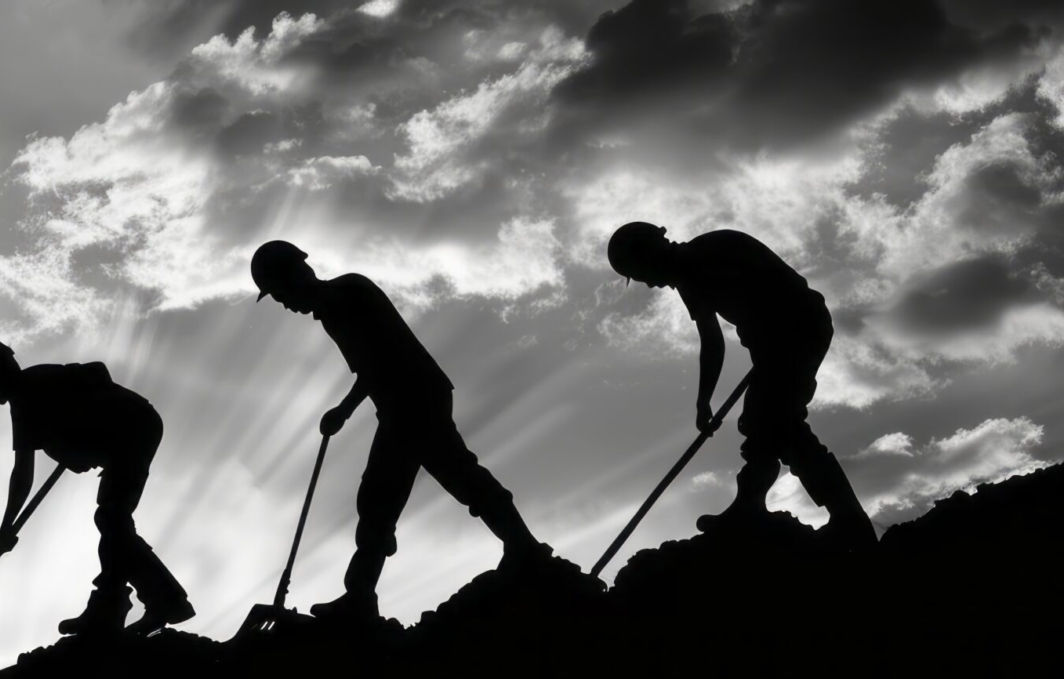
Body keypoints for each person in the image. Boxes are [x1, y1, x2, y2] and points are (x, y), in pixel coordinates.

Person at [250, 240, 551, 620]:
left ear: (296, 275)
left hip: (415, 398)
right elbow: (369, 370)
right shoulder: (333, 307)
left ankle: (525, 550)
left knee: (455, 476)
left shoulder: (347, 295)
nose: (284, 305)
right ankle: (360, 595)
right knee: (381, 499)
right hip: (400, 404)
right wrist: (344, 411)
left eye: (279, 294)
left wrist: (344, 411)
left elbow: (380, 358)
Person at [606, 222, 876, 546]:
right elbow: (713, 339)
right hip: (781, 338)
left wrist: (765, 343)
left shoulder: (705, 255)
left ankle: (848, 521)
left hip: (797, 329)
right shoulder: (689, 273)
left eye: (640, 273)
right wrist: (704, 400)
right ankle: (753, 507)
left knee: (777, 421)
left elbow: (766, 296)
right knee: (765, 422)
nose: (648, 284)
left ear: (650, 254)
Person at [0, 337, 194, 636]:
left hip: (134, 429)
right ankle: (155, 601)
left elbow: (22, 475)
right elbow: (93, 382)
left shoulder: (27, 395)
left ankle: (120, 606)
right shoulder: (33, 385)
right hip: (133, 429)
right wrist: (84, 445)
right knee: (112, 521)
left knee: (111, 518)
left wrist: (6, 527)